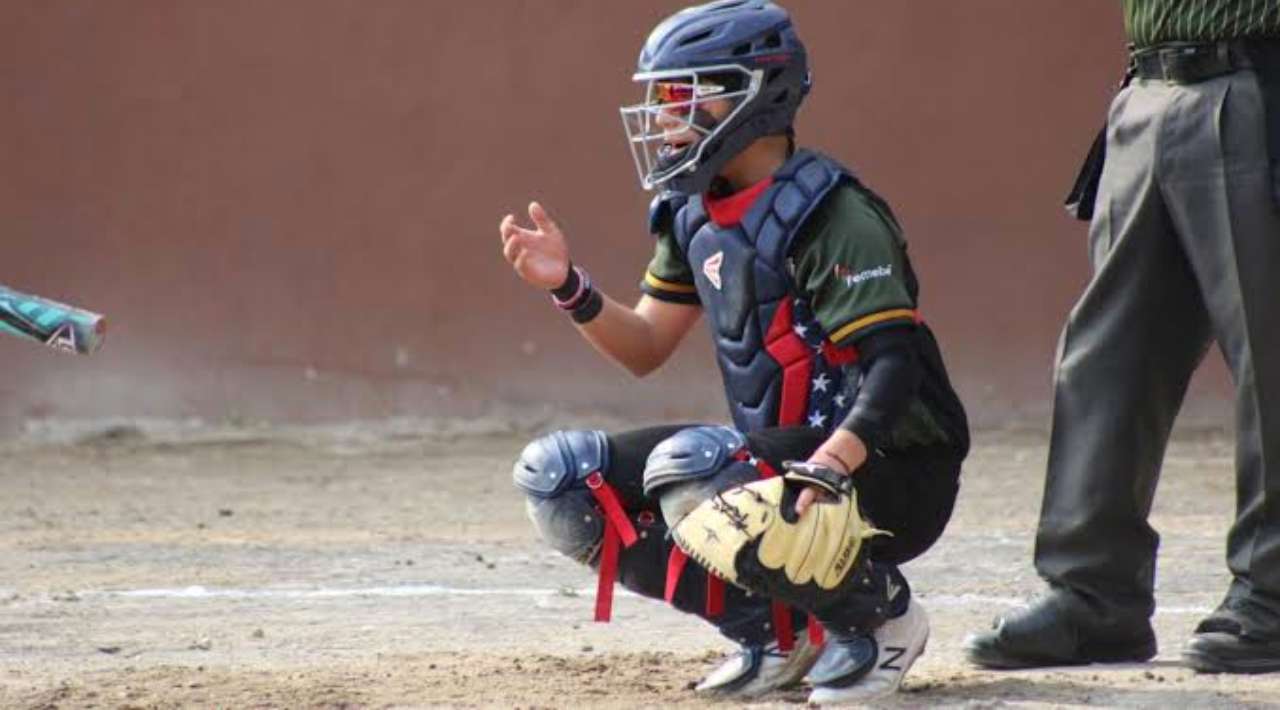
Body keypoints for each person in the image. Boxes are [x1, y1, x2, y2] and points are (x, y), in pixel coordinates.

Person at [499, 1, 968, 702]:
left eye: (685, 93)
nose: (665, 114)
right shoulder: (693, 210)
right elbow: (646, 346)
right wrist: (568, 285)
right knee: (563, 478)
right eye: (661, 95)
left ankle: (880, 619)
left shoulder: (833, 213)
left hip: (892, 468)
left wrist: (829, 466)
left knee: (696, 470)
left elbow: (893, 366)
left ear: (757, 94)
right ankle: (777, 633)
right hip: (782, 462)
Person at [965, 1, 1280, 674]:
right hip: (1149, 85)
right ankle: (1093, 596)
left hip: (1259, 76)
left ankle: (1273, 594)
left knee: (1269, 349)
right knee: (1108, 355)